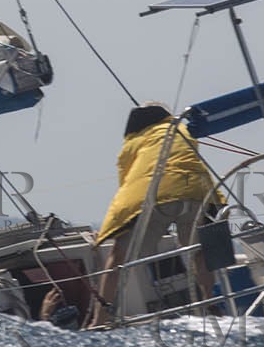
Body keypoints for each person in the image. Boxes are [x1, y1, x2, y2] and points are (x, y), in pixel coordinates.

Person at [86, 102, 220, 328]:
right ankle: (209, 305)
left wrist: (121, 225)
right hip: (197, 192)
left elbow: (128, 185)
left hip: (153, 196)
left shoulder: (131, 145)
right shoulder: (183, 131)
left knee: (118, 257)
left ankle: (99, 320)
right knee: (199, 252)